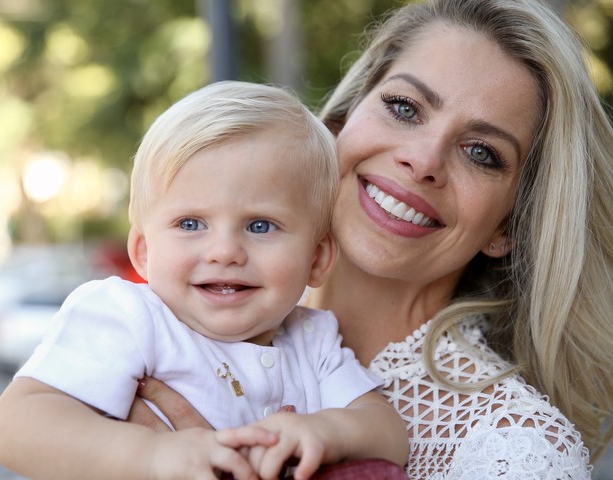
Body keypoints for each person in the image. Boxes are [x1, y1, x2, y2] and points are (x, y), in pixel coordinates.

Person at [121, 1, 613, 478]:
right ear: (339, 123)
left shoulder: (517, 449)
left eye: (481, 152)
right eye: (404, 107)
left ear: (508, 226)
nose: (423, 160)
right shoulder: (158, 322)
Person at [0, 81, 410, 480]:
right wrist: (151, 456)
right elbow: (15, 425)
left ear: (317, 259)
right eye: (190, 223)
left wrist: (327, 432)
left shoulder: (312, 341)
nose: (224, 251)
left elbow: (389, 435)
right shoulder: (129, 317)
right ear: (143, 251)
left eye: (261, 226)